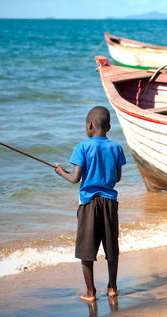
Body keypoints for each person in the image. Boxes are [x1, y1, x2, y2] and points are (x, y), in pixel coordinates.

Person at [55, 106, 127, 301]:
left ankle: (90, 292)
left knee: (87, 249)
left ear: (89, 125)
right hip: (110, 202)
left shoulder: (83, 147)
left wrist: (60, 171)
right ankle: (112, 287)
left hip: (88, 203)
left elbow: (75, 179)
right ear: (109, 127)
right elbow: (117, 178)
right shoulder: (116, 147)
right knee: (111, 247)